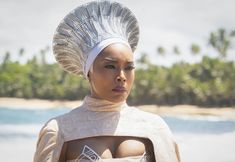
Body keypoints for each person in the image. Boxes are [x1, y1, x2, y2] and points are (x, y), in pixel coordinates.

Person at [34, 0, 180, 162]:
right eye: (110, 66)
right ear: (88, 72)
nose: (121, 76)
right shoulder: (60, 130)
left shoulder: (154, 128)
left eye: (129, 67)